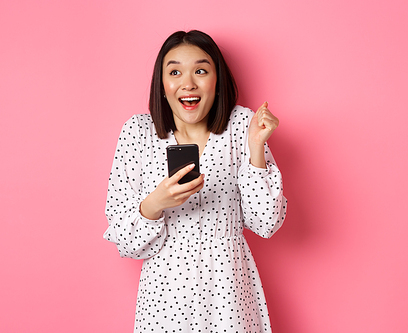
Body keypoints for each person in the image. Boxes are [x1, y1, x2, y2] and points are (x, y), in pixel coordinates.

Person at [104, 30, 287, 333]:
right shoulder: (138, 133)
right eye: (174, 71)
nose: (188, 83)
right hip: (164, 298)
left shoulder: (243, 125)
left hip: (229, 294)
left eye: (201, 71)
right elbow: (126, 242)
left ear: (218, 81)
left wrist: (256, 147)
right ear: (162, 85)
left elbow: (266, 223)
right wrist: (155, 203)